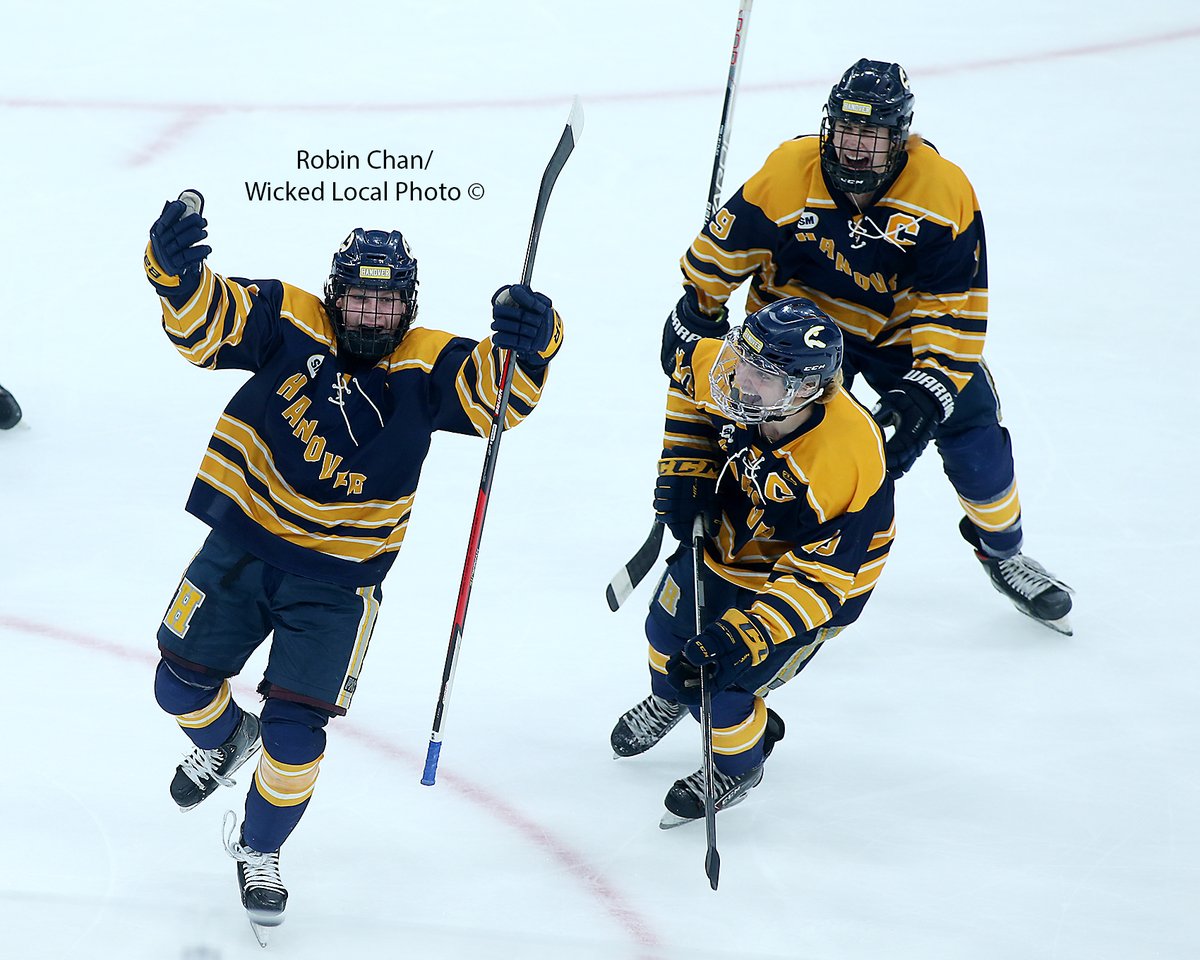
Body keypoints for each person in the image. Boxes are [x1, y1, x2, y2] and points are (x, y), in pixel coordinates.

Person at [144, 190, 563, 936]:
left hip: (338, 584)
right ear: (336, 295)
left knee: (296, 736)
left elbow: (501, 397)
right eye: (360, 301)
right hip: (241, 546)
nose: (372, 316)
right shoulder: (290, 317)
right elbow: (207, 326)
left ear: (408, 304)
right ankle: (226, 741)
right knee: (176, 686)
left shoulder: (426, 361)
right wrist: (175, 275)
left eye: (387, 302)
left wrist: (533, 340)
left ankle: (259, 845)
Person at [660, 59, 1073, 634]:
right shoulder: (787, 173)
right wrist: (698, 309)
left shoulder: (942, 193)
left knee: (974, 431)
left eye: (872, 135)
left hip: (897, 334)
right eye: (848, 131)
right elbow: (716, 262)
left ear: (899, 138)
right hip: (794, 329)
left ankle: (1001, 550)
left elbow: (952, 314)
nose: (856, 148)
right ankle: (743, 551)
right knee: (759, 425)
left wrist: (923, 399)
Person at [612, 297, 894, 826]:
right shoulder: (738, 371)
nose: (739, 377)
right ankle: (673, 698)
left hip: (811, 582)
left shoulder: (843, 460)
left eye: (760, 375)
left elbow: (820, 583)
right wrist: (687, 468)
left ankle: (738, 764)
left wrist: (737, 637)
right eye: (743, 358)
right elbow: (686, 379)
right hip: (732, 532)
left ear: (805, 390)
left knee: (726, 681)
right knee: (665, 633)